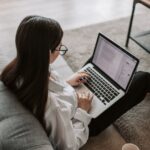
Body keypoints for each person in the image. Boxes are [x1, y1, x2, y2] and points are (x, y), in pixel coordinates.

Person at [0, 15, 150, 150]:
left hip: (72, 99)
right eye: (59, 47)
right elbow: (69, 145)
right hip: (85, 121)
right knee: (142, 78)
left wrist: (66, 83)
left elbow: (51, 91)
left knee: (94, 65)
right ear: (46, 53)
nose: (61, 50)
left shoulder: (21, 69)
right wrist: (83, 110)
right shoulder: (50, 106)